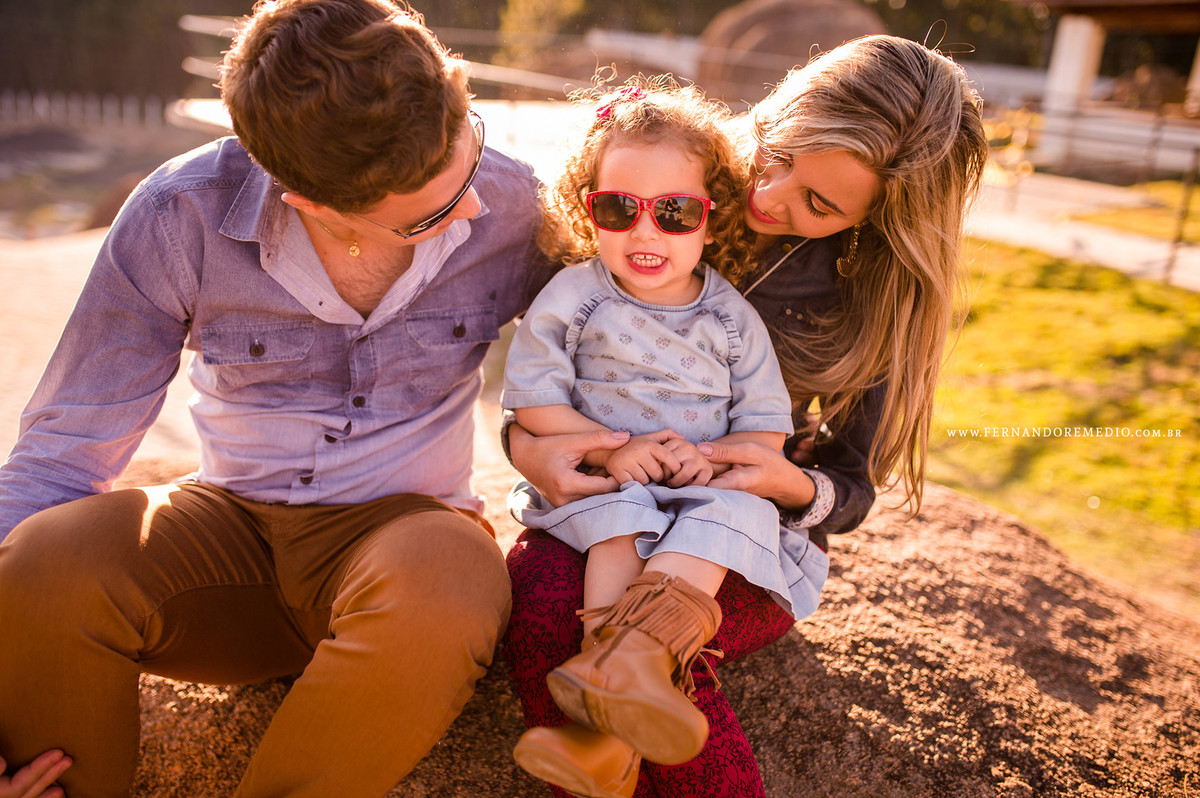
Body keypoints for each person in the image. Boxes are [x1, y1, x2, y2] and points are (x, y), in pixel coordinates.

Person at [0, 0, 555, 795]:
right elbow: (60, 452)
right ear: (314, 205)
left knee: (448, 576)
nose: (472, 205)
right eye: (431, 214)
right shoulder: (176, 214)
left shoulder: (518, 203)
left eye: (467, 161)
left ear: (456, 86)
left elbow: (632, 338)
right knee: (44, 562)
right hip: (227, 539)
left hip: (402, 549)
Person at [502, 35, 990, 798]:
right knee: (539, 606)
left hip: (732, 529)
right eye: (778, 152)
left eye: (819, 203)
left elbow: (850, 487)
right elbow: (539, 376)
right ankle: (595, 758)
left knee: (657, 646)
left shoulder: (858, 305)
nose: (770, 194)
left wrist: (784, 480)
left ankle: (638, 728)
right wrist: (531, 452)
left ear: (876, 219)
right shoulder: (661, 180)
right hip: (607, 497)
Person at [500, 80, 831, 796]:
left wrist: (706, 459)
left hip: (698, 486)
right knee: (620, 515)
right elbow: (533, 405)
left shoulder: (731, 315)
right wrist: (609, 450)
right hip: (609, 482)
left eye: (674, 212)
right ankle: (618, 684)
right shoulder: (572, 296)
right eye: (619, 209)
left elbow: (767, 422)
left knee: (742, 511)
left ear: (712, 219)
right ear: (588, 211)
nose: (645, 233)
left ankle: (620, 693)